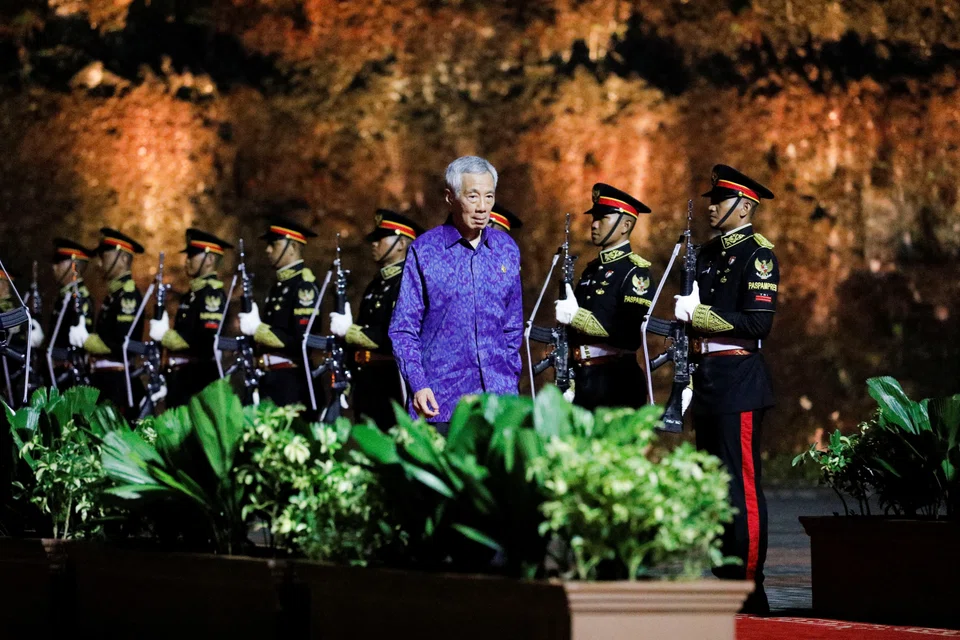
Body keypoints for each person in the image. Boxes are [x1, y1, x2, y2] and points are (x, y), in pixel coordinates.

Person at [673, 164, 779, 615]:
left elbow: (758, 324)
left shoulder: (757, 255)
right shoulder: (706, 254)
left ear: (746, 207)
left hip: (738, 380)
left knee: (741, 487)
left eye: (721, 200)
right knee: (713, 487)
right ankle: (723, 581)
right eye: (712, 200)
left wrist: (699, 316)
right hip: (707, 378)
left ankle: (750, 585)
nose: (712, 207)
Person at [389, 156, 523, 434]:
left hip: (498, 404)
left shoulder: (507, 250)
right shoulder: (425, 251)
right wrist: (418, 384)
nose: (482, 207)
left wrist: (509, 379)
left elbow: (512, 326)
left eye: (489, 196)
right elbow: (403, 328)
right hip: (440, 402)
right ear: (450, 197)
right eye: (473, 196)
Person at [553, 183, 655, 409]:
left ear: (625, 225)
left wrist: (577, 317)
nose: (594, 224)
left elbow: (628, 334)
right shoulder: (591, 271)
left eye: (602, 218)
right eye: (594, 217)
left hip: (616, 382)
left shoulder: (635, 272)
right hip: (583, 379)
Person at [329, 209, 423, 431]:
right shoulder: (376, 285)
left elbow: (397, 337)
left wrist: (351, 332)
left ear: (401, 243)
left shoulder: (408, 282)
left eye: (381, 239)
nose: (374, 244)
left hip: (391, 382)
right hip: (367, 382)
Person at [237, 215, 321, 408]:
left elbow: (301, 340)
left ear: (292, 247)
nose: (268, 249)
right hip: (270, 379)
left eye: (273, 244)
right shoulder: (279, 286)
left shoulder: (304, 286)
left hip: (291, 382)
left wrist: (258, 330)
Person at [148, 229, 232, 408]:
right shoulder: (191, 295)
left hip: (199, 382)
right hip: (181, 380)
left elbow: (206, 341)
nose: (187, 261)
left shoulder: (212, 295)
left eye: (193, 255)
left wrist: (166, 336)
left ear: (210, 259)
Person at [69, 228, 146, 414]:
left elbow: (120, 343)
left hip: (117, 383)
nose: (99, 262)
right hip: (104, 380)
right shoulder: (114, 295)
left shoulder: (128, 296)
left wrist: (86, 340)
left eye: (105, 256)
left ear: (123, 258)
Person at [48, 239, 95, 389]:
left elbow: (80, 343)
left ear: (73, 266)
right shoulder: (63, 296)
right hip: (56, 372)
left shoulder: (81, 297)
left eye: (59, 262)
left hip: (70, 375)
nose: (54, 267)